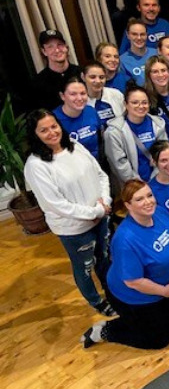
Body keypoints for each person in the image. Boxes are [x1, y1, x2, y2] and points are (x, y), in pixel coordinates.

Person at [24, 109, 115, 317]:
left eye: (54, 126)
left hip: (100, 216)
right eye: (43, 130)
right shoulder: (36, 165)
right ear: (35, 134)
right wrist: (93, 211)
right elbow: (55, 204)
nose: (52, 133)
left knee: (104, 257)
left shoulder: (75, 146)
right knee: (84, 266)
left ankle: (112, 292)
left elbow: (100, 174)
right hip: (74, 228)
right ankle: (96, 301)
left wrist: (105, 202)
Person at [81, 180, 169, 349]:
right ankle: (105, 331)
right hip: (136, 296)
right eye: (139, 199)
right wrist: (164, 291)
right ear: (128, 205)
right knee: (159, 340)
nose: (148, 201)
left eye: (149, 195)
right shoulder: (125, 240)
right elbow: (133, 282)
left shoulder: (160, 212)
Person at [104, 86, 167, 185]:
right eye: (135, 102)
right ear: (126, 104)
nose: (140, 106)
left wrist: (156, 178)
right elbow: (120, 164)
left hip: (159, 179)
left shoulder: (158, 124)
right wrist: (138, 184)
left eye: (144, 102)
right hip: (132, 185)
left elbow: (164, 152)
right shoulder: (114, 132)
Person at [30, 30, 82, 110]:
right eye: (50, 47)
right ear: (44, 51)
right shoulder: (38, 83)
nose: (57, 50)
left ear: (66, 47)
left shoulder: (82, 73)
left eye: (60, 45)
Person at [52, 78, 102, 159]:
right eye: (73, 94)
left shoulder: (91, 111)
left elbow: (100, 139)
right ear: (62, 96)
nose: (79, 98)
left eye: (83, 93)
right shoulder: (53, 120)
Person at [82, 62, 125, 128]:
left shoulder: (116, 94)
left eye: (101, 77)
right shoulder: (80, 100)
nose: (98, 81)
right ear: (83, 77)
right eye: (92, 77)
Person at [120, 19, 158, 86]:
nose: (139, 38)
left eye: (142, 34)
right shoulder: (122, 61)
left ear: (147, 35)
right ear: (128, 35)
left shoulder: (157, 53)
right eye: (134, 34)